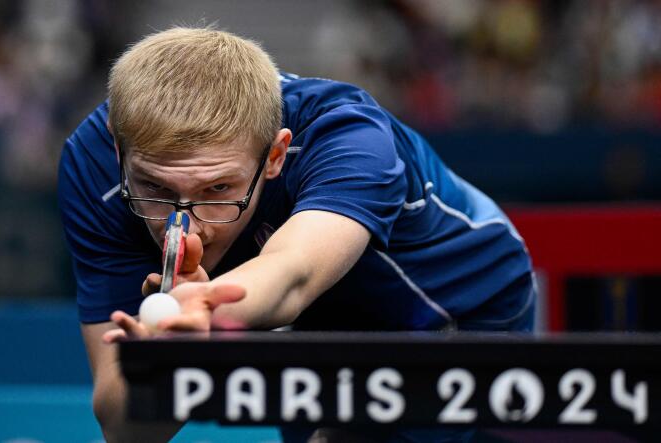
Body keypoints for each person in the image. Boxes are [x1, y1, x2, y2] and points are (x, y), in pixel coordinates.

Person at [58, 26, 535, 443]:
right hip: (297, 321)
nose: (187, 223)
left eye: (218, 188)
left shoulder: (350, 135)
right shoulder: (91, 167)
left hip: (457, 306)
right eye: (156, 189)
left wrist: (205, 312)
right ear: (119, 152)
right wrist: (166, 366)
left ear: (275, 156)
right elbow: (124, 429)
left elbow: (294, 274)